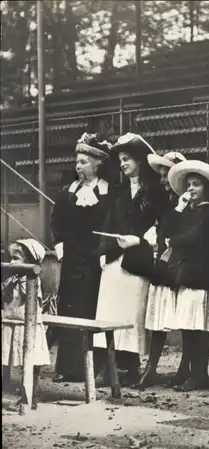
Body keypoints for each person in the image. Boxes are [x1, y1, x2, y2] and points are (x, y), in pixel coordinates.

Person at [93, 133, 165, 386]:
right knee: (109, 311)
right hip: (114, 257)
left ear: (140, 161)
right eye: (121, 160)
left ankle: (131, 366)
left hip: (137, 259)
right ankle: (107, 367)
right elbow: (108, 222)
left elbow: (161, 225)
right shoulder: (118, 191)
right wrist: (103, 251)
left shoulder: (155, 191)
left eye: (127, 159)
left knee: (132, 313)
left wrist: (141, 241)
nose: (123, 164)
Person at [50, 132, 114, 383]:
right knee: (70, 310)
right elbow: (57, 222)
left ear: (97, 164)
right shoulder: (68, 191)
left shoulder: (108, 193)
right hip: (72, 260)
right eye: (77, 162)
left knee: (91, 309)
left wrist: (103, 251)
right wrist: (61, 246)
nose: (79, 166)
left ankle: (92, 368)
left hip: (95, 259)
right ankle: (68, 367)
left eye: (84, 162)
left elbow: (111, 223)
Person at [165, 160, 209, 391]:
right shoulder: (190, 211)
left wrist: (173, 241)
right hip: (188, 272)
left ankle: (199, 374)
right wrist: (179, 209)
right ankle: (189, 371)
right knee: (188, 327)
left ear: (206, 188)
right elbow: (169, 228)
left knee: (197, 327)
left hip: (200, 273)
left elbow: (195, 237)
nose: (191, 189)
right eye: (189, 184)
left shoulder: (208, 211)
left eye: (196, 185)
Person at [137, 151, 192, 390]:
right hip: (164, 260)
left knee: (188, 319)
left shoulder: (189, 201)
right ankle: (152, 367)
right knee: (158, 316)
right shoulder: (164, 200)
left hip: (184, 262)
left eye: (166, 175)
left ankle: (186, 367)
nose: (162, 181)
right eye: (160, 176)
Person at [2, 238, 50, 410]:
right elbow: (6, 295)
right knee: (10, 355)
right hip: (13, 321)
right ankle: (15, 389)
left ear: (29, 261)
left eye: (16, 258)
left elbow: (27, 295)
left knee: (32, 360)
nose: (11, 262)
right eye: (11, 258)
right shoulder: (13, 277)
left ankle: (31, 394)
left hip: (28, 325)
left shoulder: (32, 278)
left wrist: (22, 278)